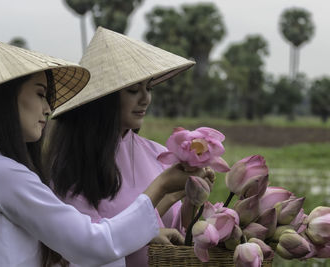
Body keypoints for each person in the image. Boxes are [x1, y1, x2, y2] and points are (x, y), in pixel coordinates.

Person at [0, 40, 196, 267]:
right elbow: (91, 243)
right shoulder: (2, 173)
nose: (48, 108)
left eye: (148, 88)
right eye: (40, 94)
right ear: (5, 100)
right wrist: (160, 187)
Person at [46, 27, 214, 267]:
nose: (145, 98)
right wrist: (145, 234)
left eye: (149, 88)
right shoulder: (75, 166)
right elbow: (86, 246)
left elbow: (174, 229)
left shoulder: (158, 154)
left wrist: (191, 198)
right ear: (104, 99)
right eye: (133, 90)